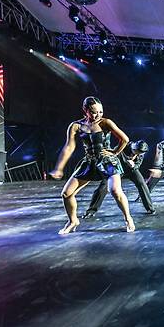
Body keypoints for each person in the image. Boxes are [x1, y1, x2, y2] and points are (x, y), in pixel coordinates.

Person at [49, 96, 135, 233]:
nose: (98, 115)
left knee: (115, 191)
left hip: (108, 162)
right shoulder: (76, 126)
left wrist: (114, 152)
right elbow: (69, 147)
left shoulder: (106, 123)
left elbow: (125, 139)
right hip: (89, 162)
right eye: (94, 112)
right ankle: (73, 221)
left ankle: (128, 218)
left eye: (100, 112)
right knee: (66, 193)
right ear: (85, 110)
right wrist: (59, 168)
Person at [83, 140, 155, 218]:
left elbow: (138, 165)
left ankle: (150, 208)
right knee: (103, 187)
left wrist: (134, 165)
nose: (136, 153)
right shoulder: (124, 146)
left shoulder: (141, 153)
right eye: (135, 151)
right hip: (116, 169)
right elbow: (113, 155)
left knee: (141, 183)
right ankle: (91, 211)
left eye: (139, 153)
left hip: (130, 170)